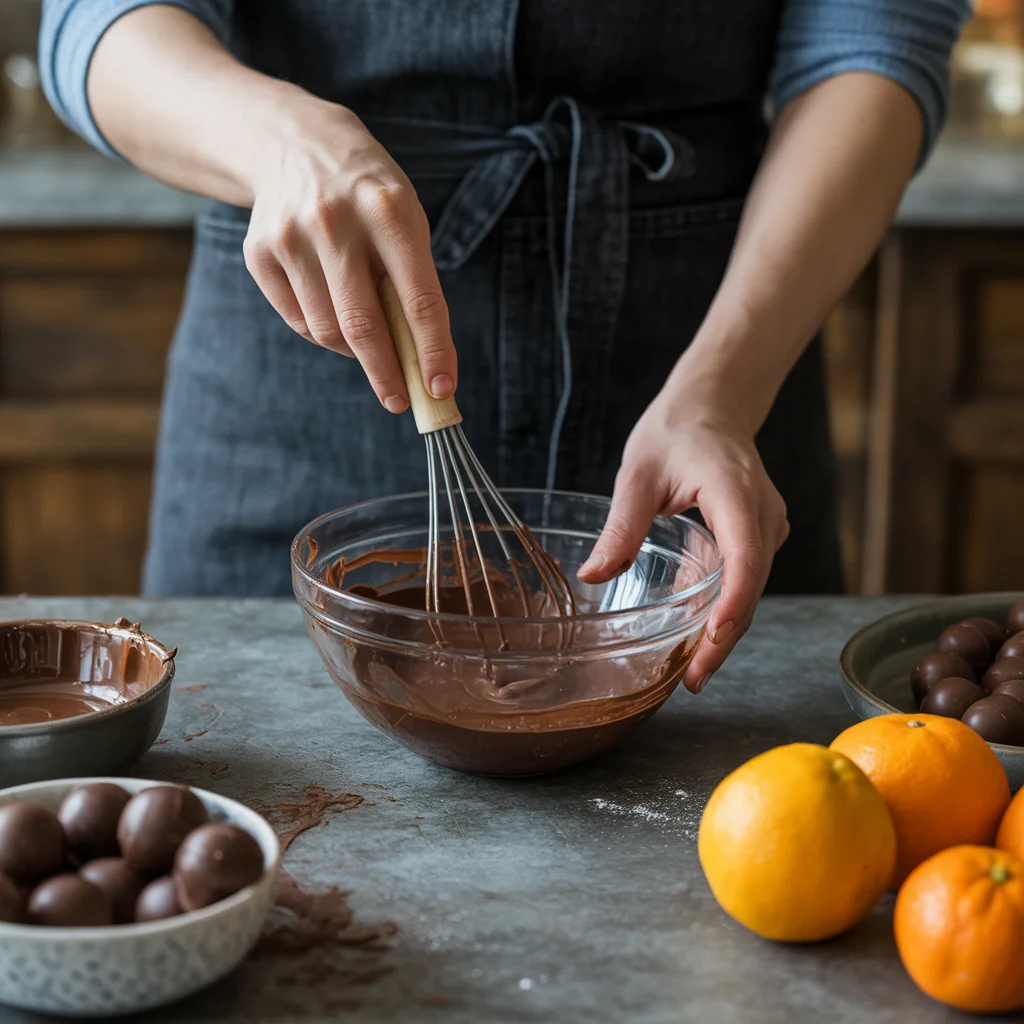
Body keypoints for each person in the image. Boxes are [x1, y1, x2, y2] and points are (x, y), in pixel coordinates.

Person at [41, 0, 968, 693]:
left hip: (716, 348)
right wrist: (277, 139)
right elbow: (96, 21)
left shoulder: (722, 386)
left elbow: (873, 38)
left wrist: (722, 391)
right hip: (305, 356)